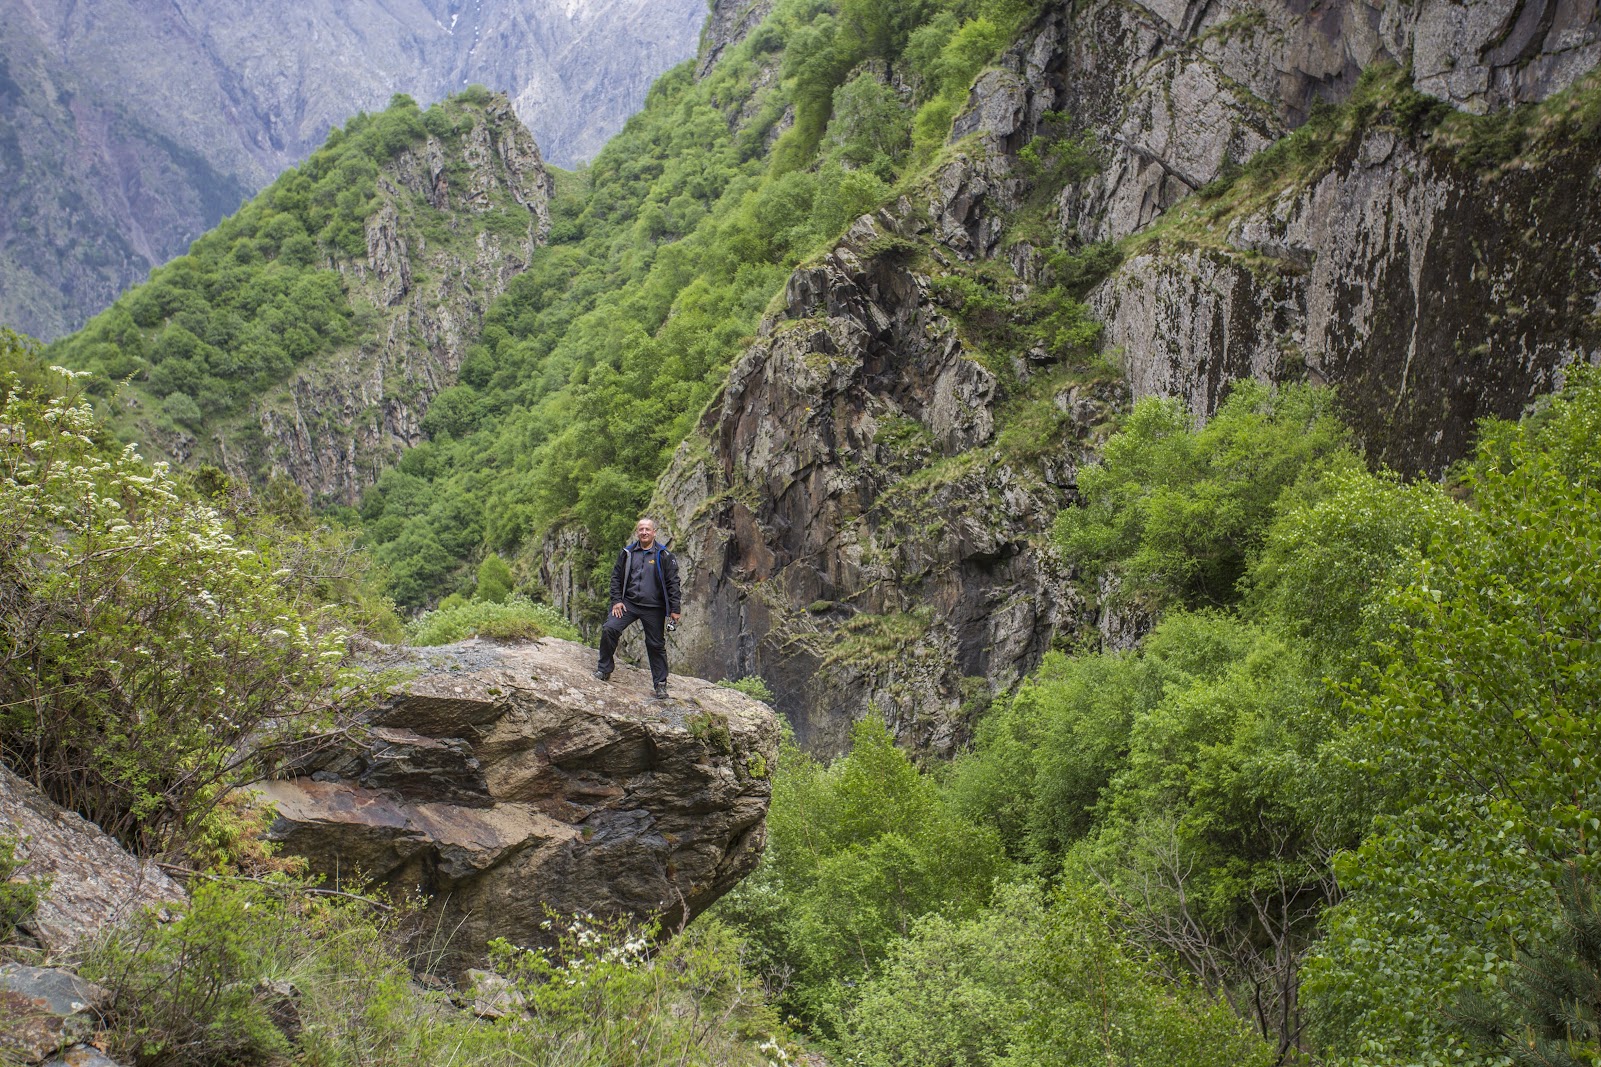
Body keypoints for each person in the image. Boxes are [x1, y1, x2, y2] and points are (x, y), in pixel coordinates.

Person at [593, 517, 682, 697]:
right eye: (641, 529)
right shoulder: (627, 553)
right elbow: (616, 577)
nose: (644, 532)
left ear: (654, 532)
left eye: (647, 529)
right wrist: (616, 600)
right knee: (610, 628)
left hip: (654, 607)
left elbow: (673, 583)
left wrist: (675, 609)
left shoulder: (664, 555)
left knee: (655, 644)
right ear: (637, 532)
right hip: (629, 604)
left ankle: (660, 684)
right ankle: (604, 669)